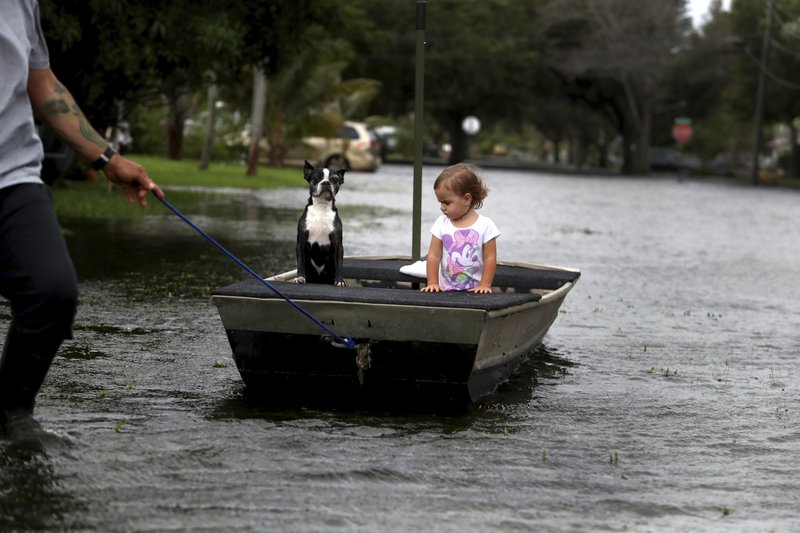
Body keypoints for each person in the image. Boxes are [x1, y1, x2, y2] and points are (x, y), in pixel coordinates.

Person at [0, 0, 163, 441]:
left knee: (51, 293)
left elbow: (42, 82)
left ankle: (12, 412)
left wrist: (105, 156)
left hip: (11, 175)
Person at [421, 163, 500, 294]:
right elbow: (434, 256)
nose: (442, 207)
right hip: (446, 290)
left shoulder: (485, 225)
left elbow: (490, 257)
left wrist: (485, 285)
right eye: (440, 202)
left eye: (446, 202)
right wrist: (433, 283)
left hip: (475, 291)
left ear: (466, 199)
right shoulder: (441, 223)